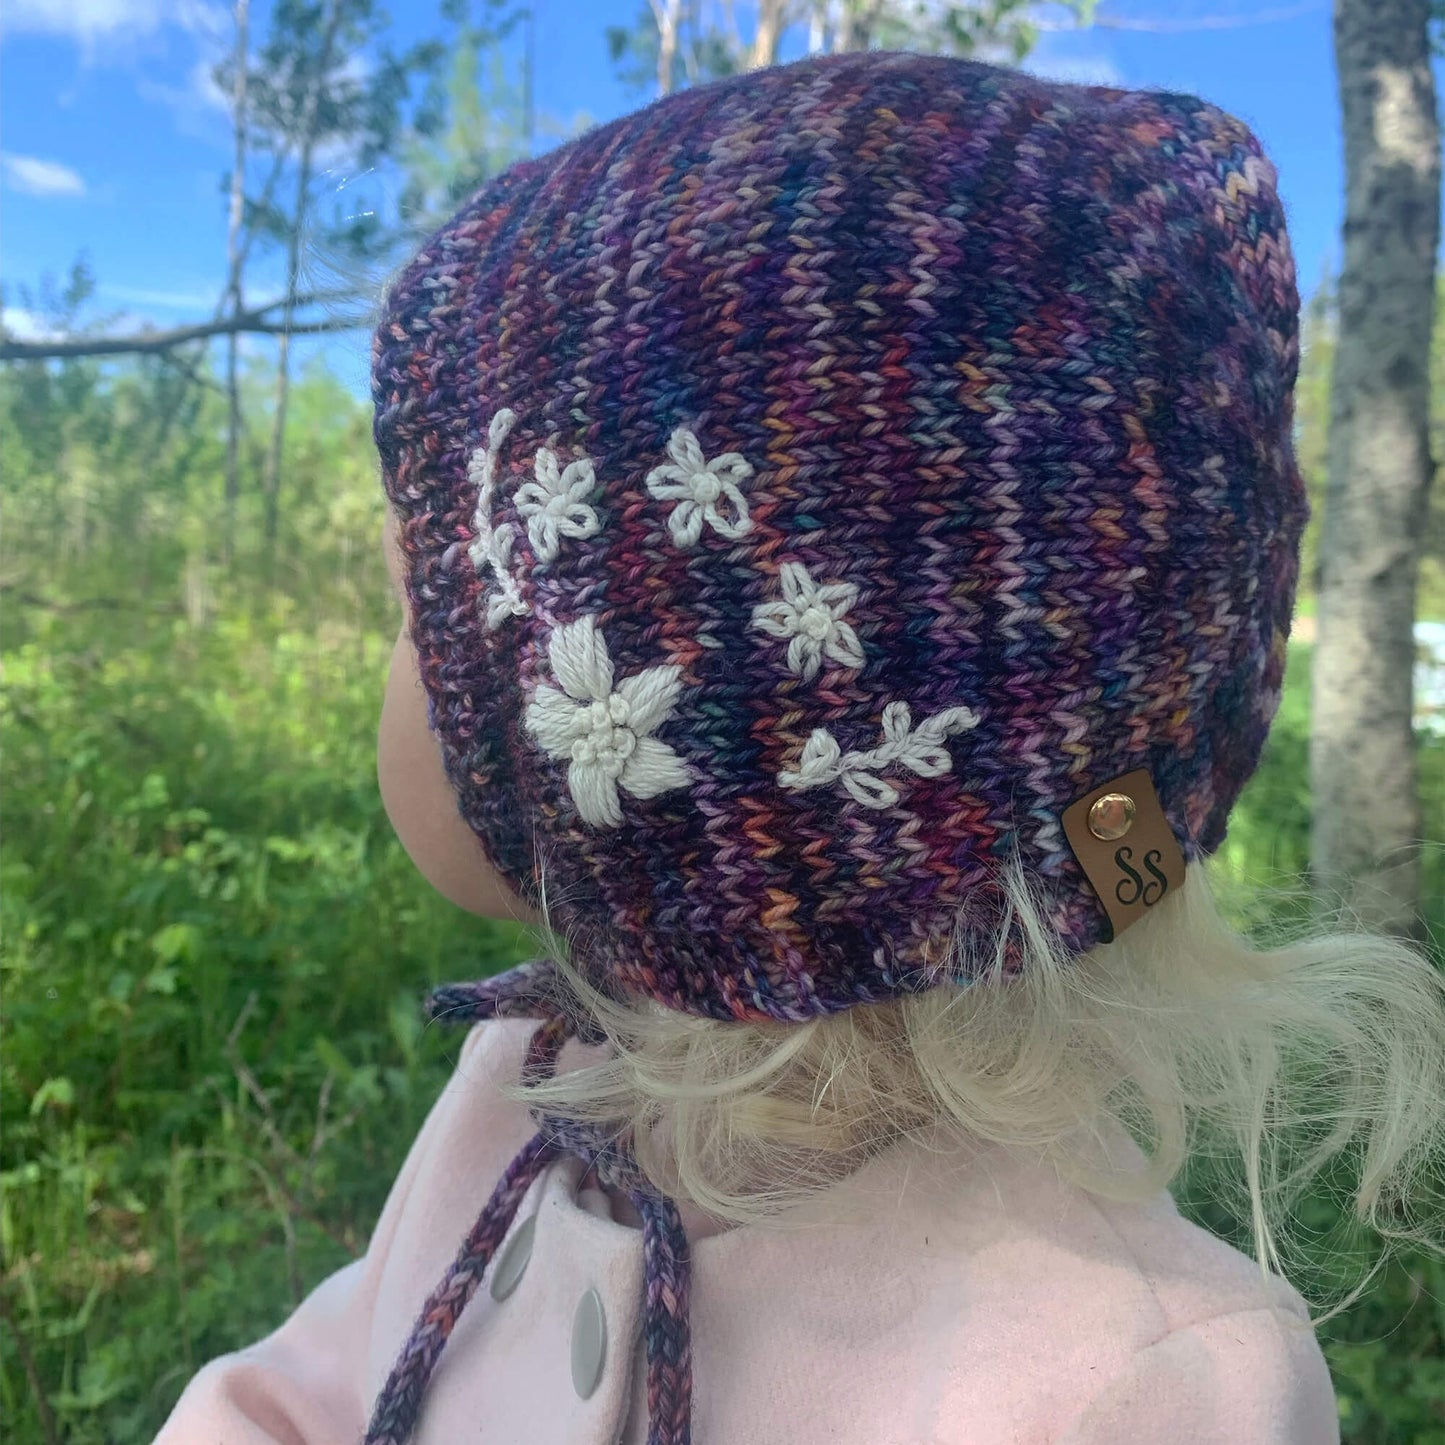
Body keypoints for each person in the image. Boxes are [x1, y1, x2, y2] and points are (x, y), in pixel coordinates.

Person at [154, 49, 1445, 1445]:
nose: (390, 656)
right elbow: (317, 1381)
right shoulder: (534, 1084)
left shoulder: (1139, 1380)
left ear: (629, 704)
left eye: (415, 612)